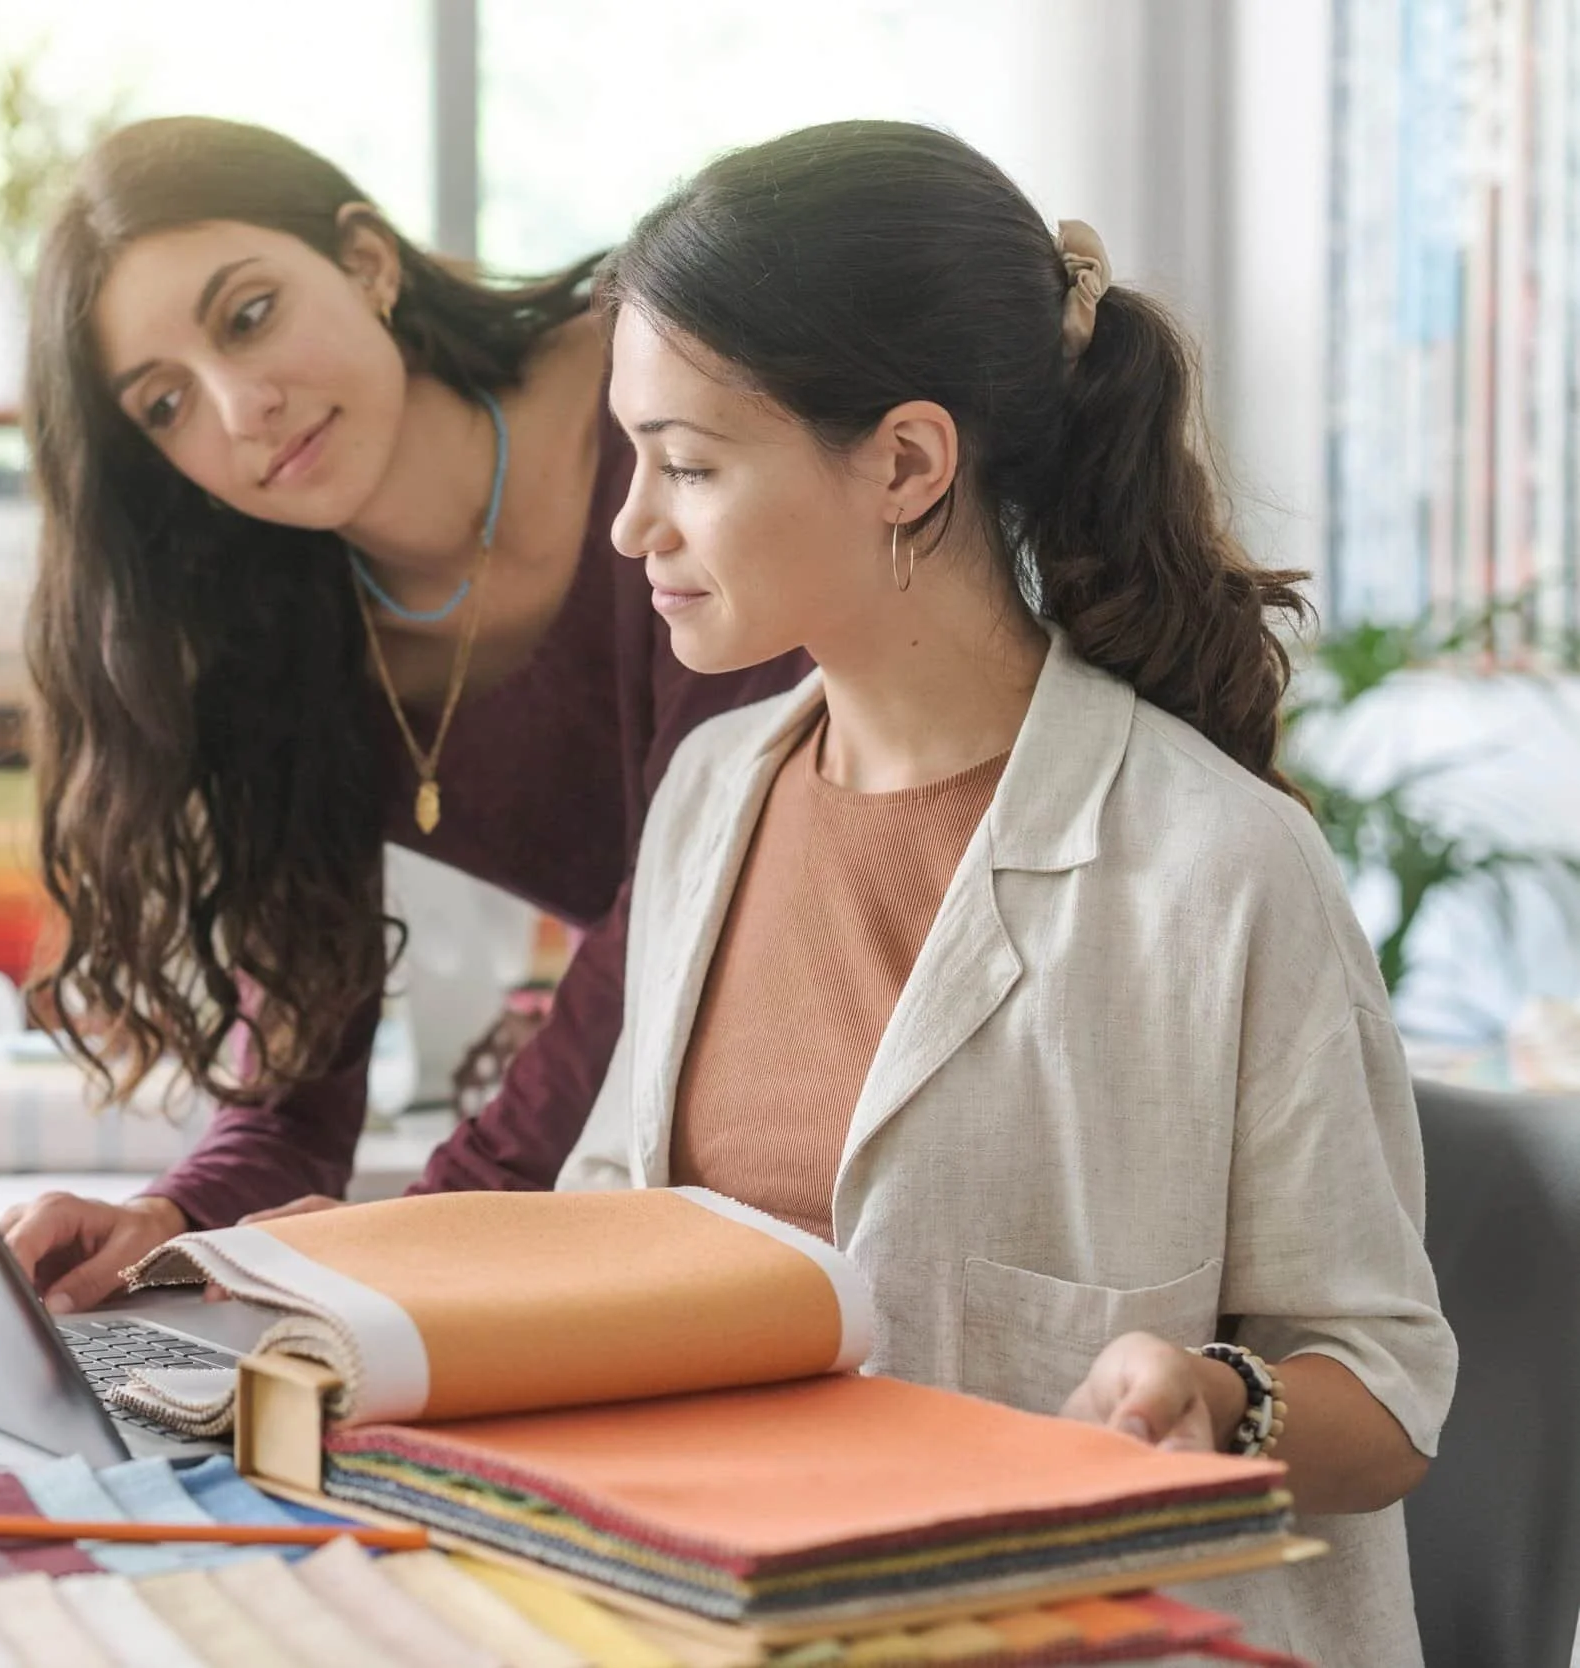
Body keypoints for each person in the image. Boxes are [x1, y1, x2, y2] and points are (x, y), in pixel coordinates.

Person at [557, 122, 1454, 1665]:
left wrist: (1216, 1399)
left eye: (687, 465)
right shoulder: (713, 790)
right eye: (629, 458)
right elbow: (607, 1236)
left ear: (904, 463)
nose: (630, 524)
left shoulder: (1217, 867)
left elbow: (1381, 1393)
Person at [0, 116, 805, 1311]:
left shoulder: (654, 402)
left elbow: (696, 890)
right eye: (166, 406)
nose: (240, 407)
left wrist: (428, 1232)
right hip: (675, 1123)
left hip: (881, 1038)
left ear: (367, 261)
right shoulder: (282, 634)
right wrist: (172, 1221)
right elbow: (296, 1084)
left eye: (250, 315)